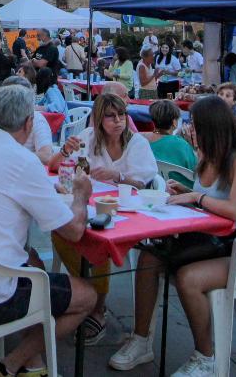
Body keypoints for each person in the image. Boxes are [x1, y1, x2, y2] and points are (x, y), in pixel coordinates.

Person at [0, 85, 96, 377]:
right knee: (87, 296)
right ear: (28, 123)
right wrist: (80, 196)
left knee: (34, 259)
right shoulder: (22, 160)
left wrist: (47, 189)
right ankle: (11, 364)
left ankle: (31, 364)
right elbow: (73, 231)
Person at [109, 95, 236, 375]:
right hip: (208, 241)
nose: (190, 129)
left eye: (195, 124)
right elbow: (208, 201)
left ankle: (206, 357)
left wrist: (196, 197)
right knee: (147, 257)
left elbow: (233, 209)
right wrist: (185, 194)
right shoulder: (206, 156)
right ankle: (141, 340)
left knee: (188, 278)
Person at [54, 91, 158, 344]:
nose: (118, 121)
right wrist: (64, 152)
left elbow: (145, 183)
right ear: (99, 120)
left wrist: (117, 176)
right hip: (94, 204)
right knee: (59, 229)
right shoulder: (88, 138)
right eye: (111, 116)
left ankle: (96, 308)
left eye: (121, 115)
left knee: (96, 238)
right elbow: (58, 165)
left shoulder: (137, 144)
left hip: (131, 210)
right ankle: (88, 293)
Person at [1, 75, 81, 168]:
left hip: (28, 170)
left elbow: (46, 156)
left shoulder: (36, 119)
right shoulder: (1, 118)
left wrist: (13, 156)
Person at [147, 99, 197, 188]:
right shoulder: (182, 144)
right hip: (182, 193)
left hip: (153, 189)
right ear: (174, 122)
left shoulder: (144, 140)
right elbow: (196, 172)